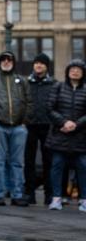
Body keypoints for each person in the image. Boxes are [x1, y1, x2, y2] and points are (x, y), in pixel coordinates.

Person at [0, 51, 32, 207]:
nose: (6, 62)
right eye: (3, 59)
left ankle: (17, 194)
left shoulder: (22, 81)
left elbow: (29, 102)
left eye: (9, 59)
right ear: (0, 62)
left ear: (13, 62)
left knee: (17, 163)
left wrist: (24, 121)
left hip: (18, 127)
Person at [45, 60, 86, 212]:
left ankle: (84, 200)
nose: (75, 72)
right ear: (68, 71)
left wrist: (76, 124)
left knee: (83, 166)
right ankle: (56, 199)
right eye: (72, 69)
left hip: (81, 136)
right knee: (57, 166)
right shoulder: (58, 87)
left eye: (78, 69)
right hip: (60, 134)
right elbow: (49, 108)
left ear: (83, 73)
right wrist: (64, 122)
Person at [24, 53, 55, 205]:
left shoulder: (54, 84)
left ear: (46, 66)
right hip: (29, 126)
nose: (38, 66)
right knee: (28, 160)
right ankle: (29, 193)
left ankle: (49, 195)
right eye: (36, 63)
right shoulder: (25, 83)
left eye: (42, 64)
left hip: (48, 126)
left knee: (48, 161)